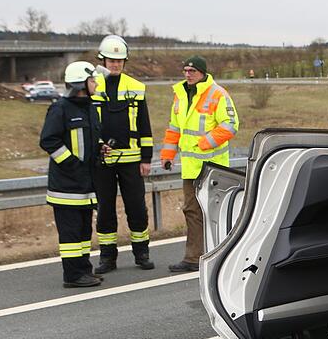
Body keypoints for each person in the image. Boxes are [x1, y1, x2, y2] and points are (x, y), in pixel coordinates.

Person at [160, 56, 239, 272]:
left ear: (202, 73)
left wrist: (203, 143)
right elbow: (174, 129)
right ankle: (194, 258)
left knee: (216, 213)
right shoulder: (180, 96)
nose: (187, 74)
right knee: (192, 211)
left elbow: (231, 125)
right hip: (190, 168)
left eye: (192, 71)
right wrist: (168, 154)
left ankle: (225, 255)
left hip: (213, 168)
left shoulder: (217, 94)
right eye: (185, 70)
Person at [39, 62, 109, 288]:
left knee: (83, 232)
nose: (96, 83)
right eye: (92, 80)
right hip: (66, 186)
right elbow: (49, 140)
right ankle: (72, 276)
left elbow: (90, 139)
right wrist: (71, 164)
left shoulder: (89, 107)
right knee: (70, 235)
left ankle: (84, 271)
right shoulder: (60, 108)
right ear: (81, 84)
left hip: (86, 186)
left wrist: (100, 148)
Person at [92, 34, 154, 273]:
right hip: (103, 160)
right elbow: (88, 123)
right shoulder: (92, 85)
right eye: (111, 61)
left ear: (124, 62)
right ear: (103, 61)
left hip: (132, 161)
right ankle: (107, 258)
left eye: (119, 61)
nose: (115, 64)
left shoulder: (136, 87)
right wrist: (97, 146)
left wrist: (146, 158)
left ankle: (142, 253)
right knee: (105, 209)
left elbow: (144, 126)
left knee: (136, 207)